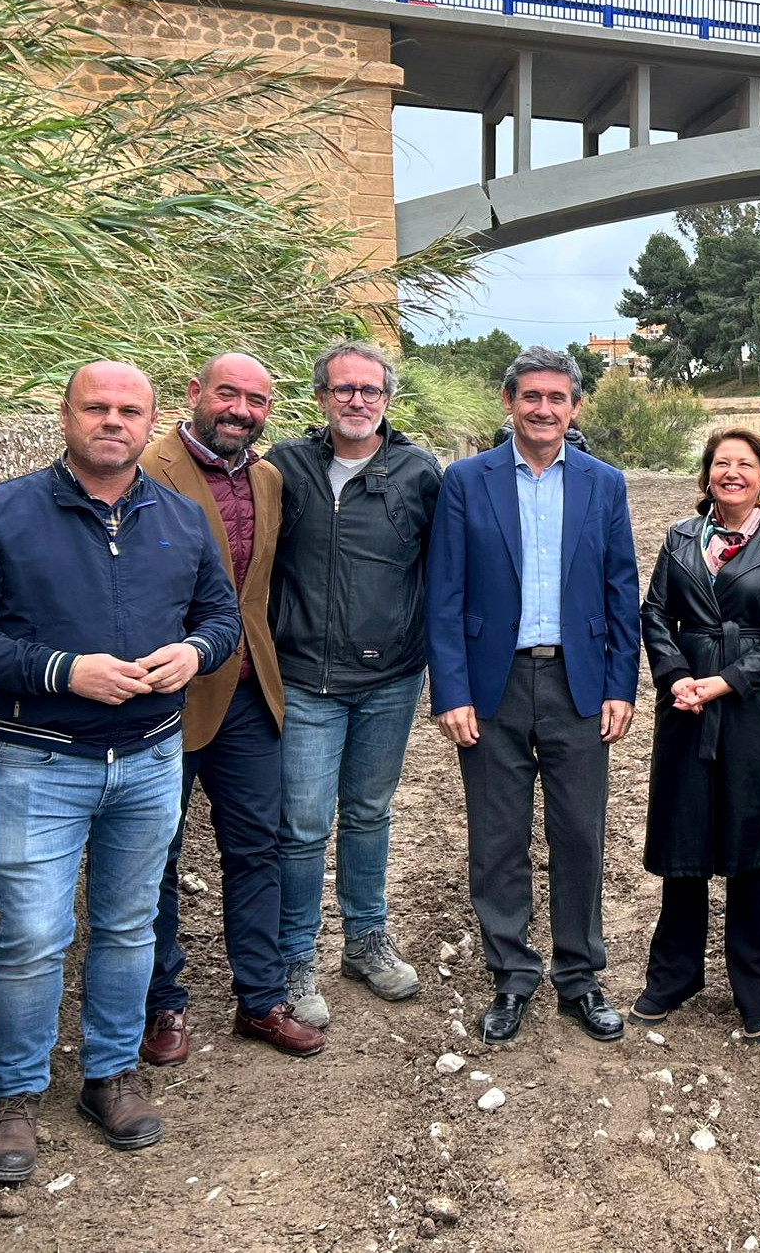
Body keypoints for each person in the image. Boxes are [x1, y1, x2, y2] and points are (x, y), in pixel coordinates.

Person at [0, 361, 241, 1182]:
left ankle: (109, 1076)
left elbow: (221, 616)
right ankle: (16, 1094)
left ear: (152, 421)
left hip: (150, 758)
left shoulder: (178, 515)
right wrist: (65, 670)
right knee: (32, 936)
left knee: (131, 924)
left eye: (129, 410)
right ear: (63, 415)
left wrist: (194, 652)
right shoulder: (1, 514)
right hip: (44, 759)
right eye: (95, 407)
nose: (113, 421)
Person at [425, 347, 640, 1045]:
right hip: (495, 684)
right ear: (508, 402)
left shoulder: (604, 484)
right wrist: (450, 689)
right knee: (497, 839)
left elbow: (619, 592)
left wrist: (620, 684)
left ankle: (579, 975)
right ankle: (513, 974)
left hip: (579, 683)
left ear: (574, 406)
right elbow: (445, 594)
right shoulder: (465, 482)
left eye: (557, 397)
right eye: (531, 397)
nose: (543, 409)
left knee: (579, 834)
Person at [137, 354, 324, 1066]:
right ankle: (163, 1006)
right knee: (155, 855)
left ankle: (261, 999)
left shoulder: (269, 479)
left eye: (256, 400)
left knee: (257, 849)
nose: (240, 410)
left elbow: (259, 592)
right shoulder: (149, 468)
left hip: (249, 691)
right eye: (227, 394)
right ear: (194, 394)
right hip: (165, 695)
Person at [266, 342, 442, 1027]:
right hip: (306, 675)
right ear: (321, 399)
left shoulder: (419, 472)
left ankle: (366, 941)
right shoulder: (284, 468)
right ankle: (293, 956)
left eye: (370, 391)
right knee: (304, 822)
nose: (357, 402)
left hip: (391, 678)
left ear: (388, 400)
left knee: (369, 811)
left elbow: (448, 567)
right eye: (343, 390)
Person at [635, 429, 760, 1042]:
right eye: (721, 463)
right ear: (707, 475)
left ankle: (759, 985)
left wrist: (727, 682)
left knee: (750, 844)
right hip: (686, 703)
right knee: (685, 835)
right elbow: (655, 612)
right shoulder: (680, 536)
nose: (731, 472)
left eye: (745, 464)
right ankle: (675, 973)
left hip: (759, 707)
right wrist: (679, 677)